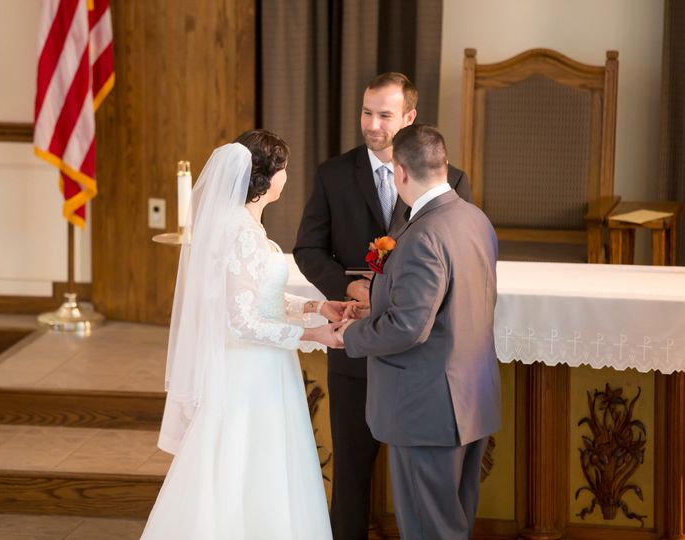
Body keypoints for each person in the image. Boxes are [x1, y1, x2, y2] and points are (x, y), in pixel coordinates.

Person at [141, 130, 349, 540]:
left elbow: (260, 298)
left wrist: (315, 307)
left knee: (264, 466)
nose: (287, 177)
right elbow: (242, 322)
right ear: (267, 178)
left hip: (267, 366)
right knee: (246, 466)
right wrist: (315, 336)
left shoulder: (245, 228)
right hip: (249, 372)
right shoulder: (241, 234)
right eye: (284, 169)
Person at [293, 72, 472, 539]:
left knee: (424, 483)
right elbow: (308, 249)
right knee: (351, 472)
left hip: (419, 360)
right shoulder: (333, 173)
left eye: (385, 115)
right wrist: (350, 289)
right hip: (356, 350)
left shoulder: (450, 181)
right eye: (366, 112)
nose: (372, 124)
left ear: (410, 117)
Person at [336, 124, 501, 540]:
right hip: (469, 400)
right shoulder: (473, 218)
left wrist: (345, 336)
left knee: (429, 531)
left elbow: (409, 328)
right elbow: (455, 303)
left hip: (426, 408)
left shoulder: (423, 234)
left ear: (401, 173)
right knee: (451, 526)